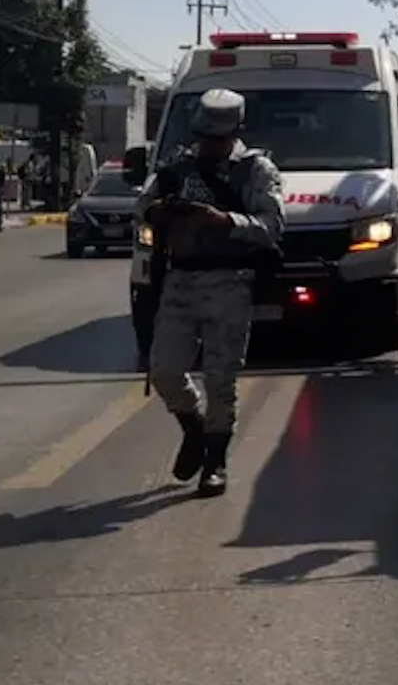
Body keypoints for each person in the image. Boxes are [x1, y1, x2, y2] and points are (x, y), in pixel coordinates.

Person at [139, 89, 285, 498]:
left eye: (217, 138)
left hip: (230, 280)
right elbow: (143, 206)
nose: (210, 145)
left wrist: (224, 220)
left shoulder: (256, 170)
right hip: (181, 279)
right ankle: (195, 427)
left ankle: (215, 460)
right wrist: (162, 211)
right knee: (165, 370)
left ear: (236, 133)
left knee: (222, 378)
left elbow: (271, 227)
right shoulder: (178, 167)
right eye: (204, 137)